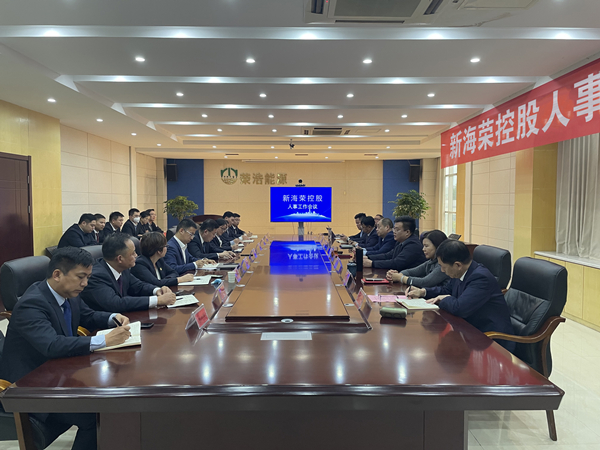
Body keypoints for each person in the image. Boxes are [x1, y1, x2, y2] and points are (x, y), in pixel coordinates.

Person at [0, 247, 131, 450]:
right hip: (31, 385)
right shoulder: (31, 304)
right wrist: (104, 340)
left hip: (59, 373)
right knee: (97, 415)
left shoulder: (68, 293)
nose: (85, 283)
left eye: (88, 277)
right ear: (57, 274)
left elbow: (88, 315)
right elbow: (52, 345)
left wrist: (112, 317)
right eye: (81, 277)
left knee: (113, 397)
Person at [406, 239, 515, 352]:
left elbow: (460, 308)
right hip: (470, 330)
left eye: (443, 267)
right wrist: (423, 292)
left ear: (457, 265)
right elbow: (446, 290)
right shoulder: (462, 271)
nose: (442, 271)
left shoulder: (480, 278)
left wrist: (445, 299)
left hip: (492, 341)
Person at [81, 233, 176, 312]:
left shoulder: (122, 268)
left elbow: (138, 286)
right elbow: (116, 303)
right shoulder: (96, 276)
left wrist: (157, 290)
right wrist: (157, 300)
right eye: (133, 253)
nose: (136, 255)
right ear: (120, 258)